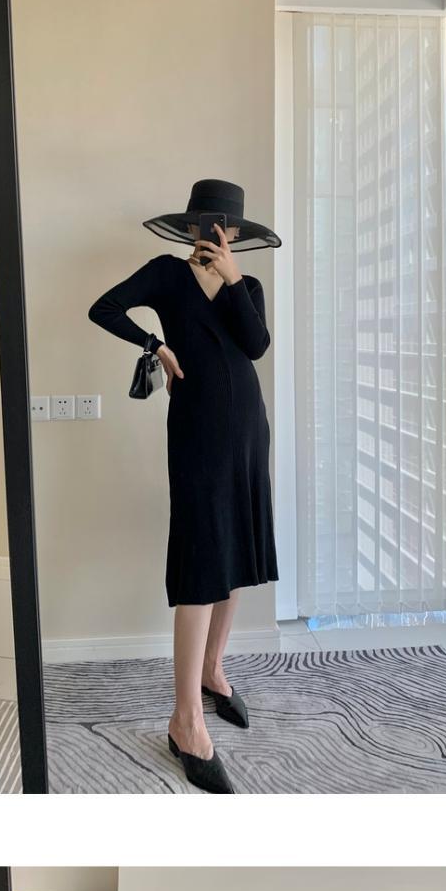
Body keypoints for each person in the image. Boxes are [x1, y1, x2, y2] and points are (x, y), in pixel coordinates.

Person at [90, 175, 280, 790]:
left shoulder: (247, 285)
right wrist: (156, 345)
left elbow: (256, 346)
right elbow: (103, 308)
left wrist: (232, 279)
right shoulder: (166, 275)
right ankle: (185, 720)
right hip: (197, 433)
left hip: (248, 430)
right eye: (206, 225)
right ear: (192, 225)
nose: (214, 235)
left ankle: (213, 670)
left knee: (235, 551)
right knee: (202, 559)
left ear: (236, 234)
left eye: (225, 228)